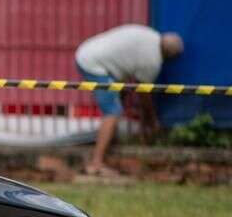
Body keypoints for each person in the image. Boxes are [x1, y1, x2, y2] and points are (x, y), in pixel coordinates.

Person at [75, 24, 184, 176]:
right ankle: (96, 164)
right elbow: (144, 94)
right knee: (113, 111)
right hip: (93, 64)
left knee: (116, 104)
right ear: (169, 57)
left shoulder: (150, 34)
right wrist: (151, 121)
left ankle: (106, 149)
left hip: (89, 51)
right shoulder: (152, 61)